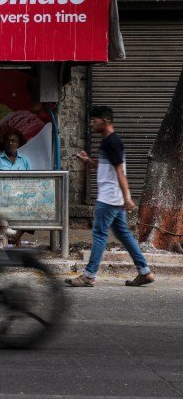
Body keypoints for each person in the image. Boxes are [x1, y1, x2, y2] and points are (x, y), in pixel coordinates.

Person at [66, 106, 154, 287]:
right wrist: (88, 160)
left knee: (99, 234)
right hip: (115, 197)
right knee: (124, 235)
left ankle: (89, 276)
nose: (91, 123)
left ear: (105, 121)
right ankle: (144, 272)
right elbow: (108, 168)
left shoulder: (111, 142)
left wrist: (127, 197)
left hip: (109, 198)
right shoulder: (109, 142)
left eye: (94, 120)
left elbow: (120, 172)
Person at [0, 126, 34, 246]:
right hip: (0, 197)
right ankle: (11, 239)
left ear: (18, 143)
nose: (10, 143)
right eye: (8, 140)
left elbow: (32, 181)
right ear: (4, 143)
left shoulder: (25, 160)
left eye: (13, 141)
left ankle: (16, 236)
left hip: (20, 198)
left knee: (32, 210)